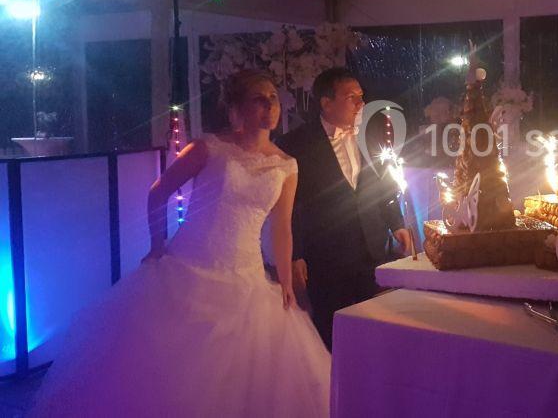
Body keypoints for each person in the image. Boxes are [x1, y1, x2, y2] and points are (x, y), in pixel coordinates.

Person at [31, 70, 331, 416]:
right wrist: (157, 244)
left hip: (247, 275)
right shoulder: (209, 148)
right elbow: (159, 191)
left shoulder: (286, 165)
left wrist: (286, 281)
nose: (269, 106)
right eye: (258, 99)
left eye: (273, 98)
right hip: (189, 266)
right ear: (237, 107)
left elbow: (282, 226)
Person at [276, 68, 411, 349]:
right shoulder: (295, 144)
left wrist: (396, 223)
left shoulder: (370, 135)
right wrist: (296, 253)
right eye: (352, 97)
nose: (361, 104)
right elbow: (292, 205)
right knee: (332, 328)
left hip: (371, 246)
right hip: (326, 253)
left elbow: (382, 185)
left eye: (361, 96)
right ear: (326, 103)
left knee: (374, 323)